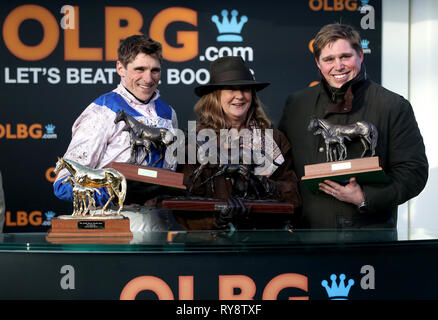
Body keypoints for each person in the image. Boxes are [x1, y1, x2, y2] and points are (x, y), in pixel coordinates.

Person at [278, 23, 428, 229]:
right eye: (329, 59)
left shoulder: (392, 105)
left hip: (370, 238)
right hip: (308, 238)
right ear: (318, 63)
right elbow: (282, 169)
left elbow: (414, 171)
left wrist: (365, 197)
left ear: (360, 55)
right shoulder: (296, 105)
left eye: (345, 56)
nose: (338, 66)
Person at [53, 35, 178, 231]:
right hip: (112, 223)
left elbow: (170, 175)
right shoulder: (101, 111)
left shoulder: (168, 113)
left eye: (155, 70)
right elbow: (63, 183)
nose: (148, 78)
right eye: (140, 69)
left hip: (160, 223)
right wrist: (118, 190)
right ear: (120, 68)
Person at [176, 56, 301, 230]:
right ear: (215, 95)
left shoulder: (275, 139)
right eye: (231, 89)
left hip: (263, 242)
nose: (240, 96)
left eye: (245, 89)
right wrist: (218, 220)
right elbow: (183, 204)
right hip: (214, 247)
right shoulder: (194, 143)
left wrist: (267, 187)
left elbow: (293, 197)